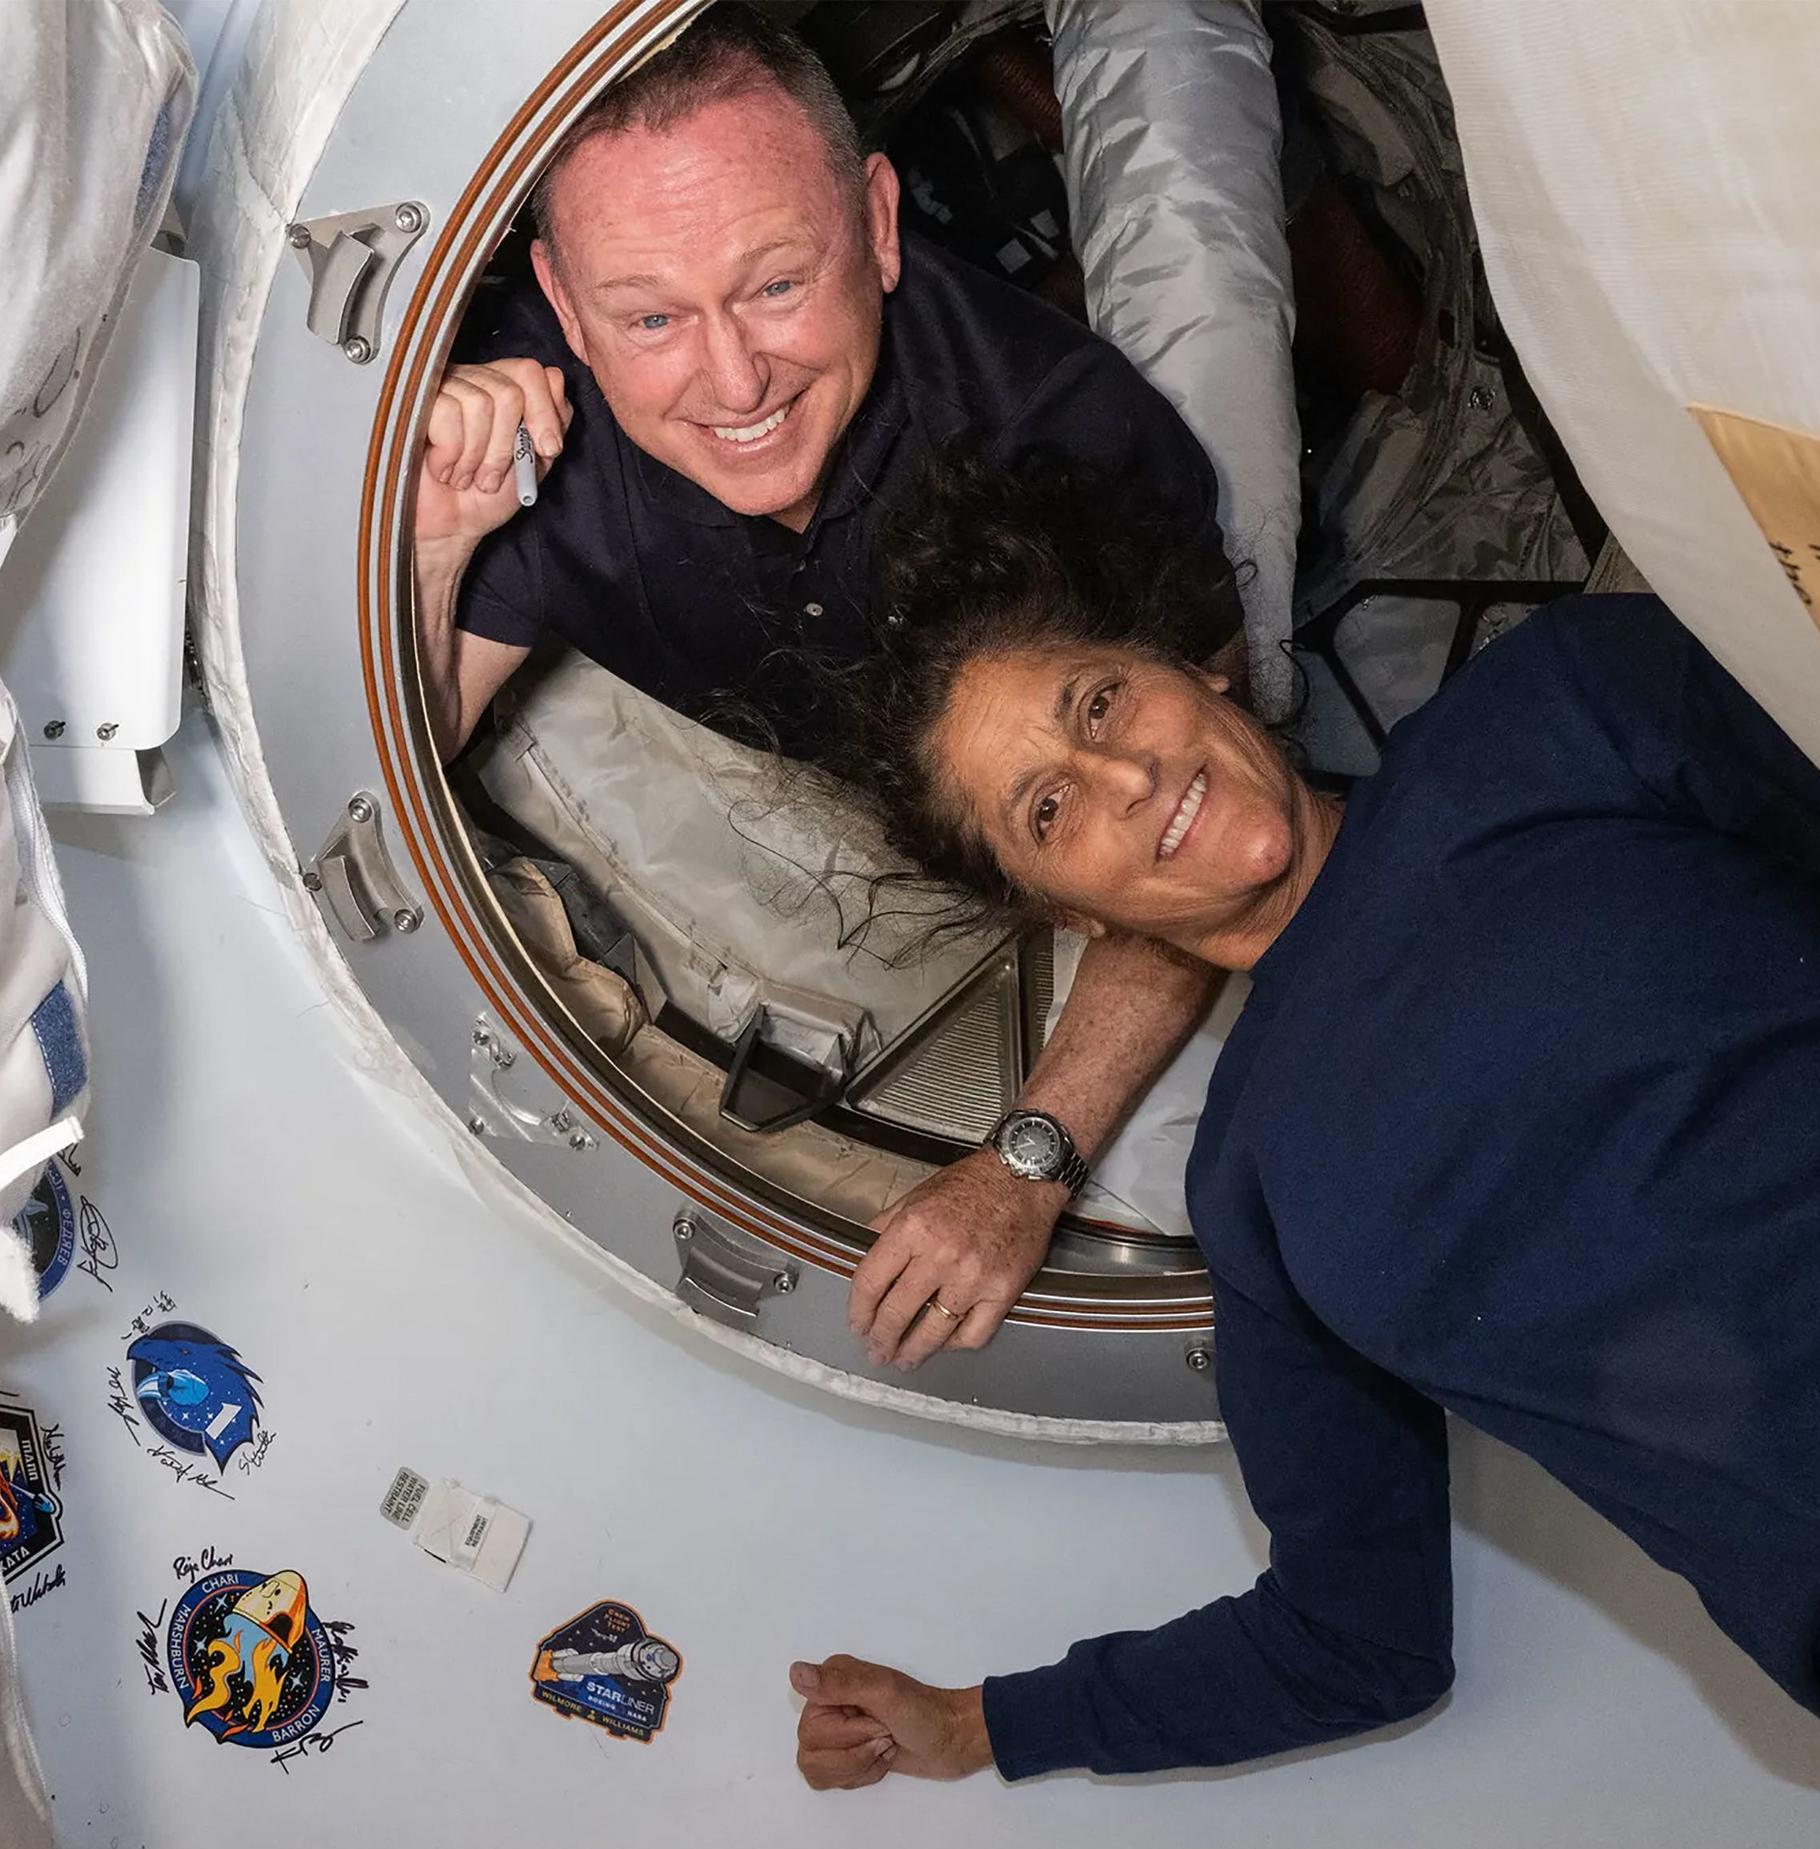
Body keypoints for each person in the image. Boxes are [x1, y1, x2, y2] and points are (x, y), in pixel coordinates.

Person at [783, 457, 1820, 1849]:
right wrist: (983, 1723)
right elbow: (1354, 1635)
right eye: (1048, 808)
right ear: (1063, 912)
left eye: (1101, 700)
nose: (1126, 772)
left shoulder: (1555, 707)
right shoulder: (1255, 1194)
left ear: (1198, 669)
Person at [410, 4, 1253, 1366]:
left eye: (776, 286)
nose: (732, 376)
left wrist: (1024, 1163)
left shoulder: (1067, 440)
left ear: (875, 220)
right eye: (649, 316)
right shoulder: (534, 429)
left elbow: (1216, 826)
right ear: (563, 303)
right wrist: (441, 537)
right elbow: (408, 742)